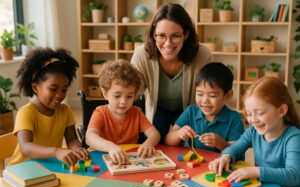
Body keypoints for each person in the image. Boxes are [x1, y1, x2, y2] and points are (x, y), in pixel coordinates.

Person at [131, 3, 212, 144]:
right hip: (157, 108)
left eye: (175, 36)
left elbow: (210, 90)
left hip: (187, 109)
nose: (168, 44)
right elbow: (131, 91)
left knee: (187, 144)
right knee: (155, 143)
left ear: (186, 35)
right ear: (153, 34)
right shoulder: (142, 54)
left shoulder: (203, 54)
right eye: (161, 36)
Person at [208, 77, 300, 187]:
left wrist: (255, 171)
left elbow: (293, 176)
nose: (253, 120)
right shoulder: (253, 131)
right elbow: (236, 147)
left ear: (281, 110)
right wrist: (226, 156)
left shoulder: (294, 137)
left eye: (260, 113)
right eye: (249, 114)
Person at [9, 48, 89, 167]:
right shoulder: (26, 112)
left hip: (47, 167)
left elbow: (72, 140)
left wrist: (77, 149)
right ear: (36, 87)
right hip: (21, 169)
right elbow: (25, 148)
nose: (59, 95)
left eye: (64, 89)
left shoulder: (65, 110)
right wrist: (56, 151)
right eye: (53, 89)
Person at [85, 60, 160, 165]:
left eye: (129, 96)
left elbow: (154, 134)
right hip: (102, 158)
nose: (123, 102)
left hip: (129, 160)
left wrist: (148, 144)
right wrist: (110, 147)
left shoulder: (137, 113)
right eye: (117, 96)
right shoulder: (100, 113)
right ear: (105, 93)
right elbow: (89, 137)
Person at [165, 62, 244, 152]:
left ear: (228, 95)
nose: (205, 100)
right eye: (200, 94)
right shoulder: (191, 112)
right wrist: (178, 134)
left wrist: (221, 144)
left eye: (213, 95)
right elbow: (168, 140)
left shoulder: (234, 119)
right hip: (193, 163)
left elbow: (238, 152)